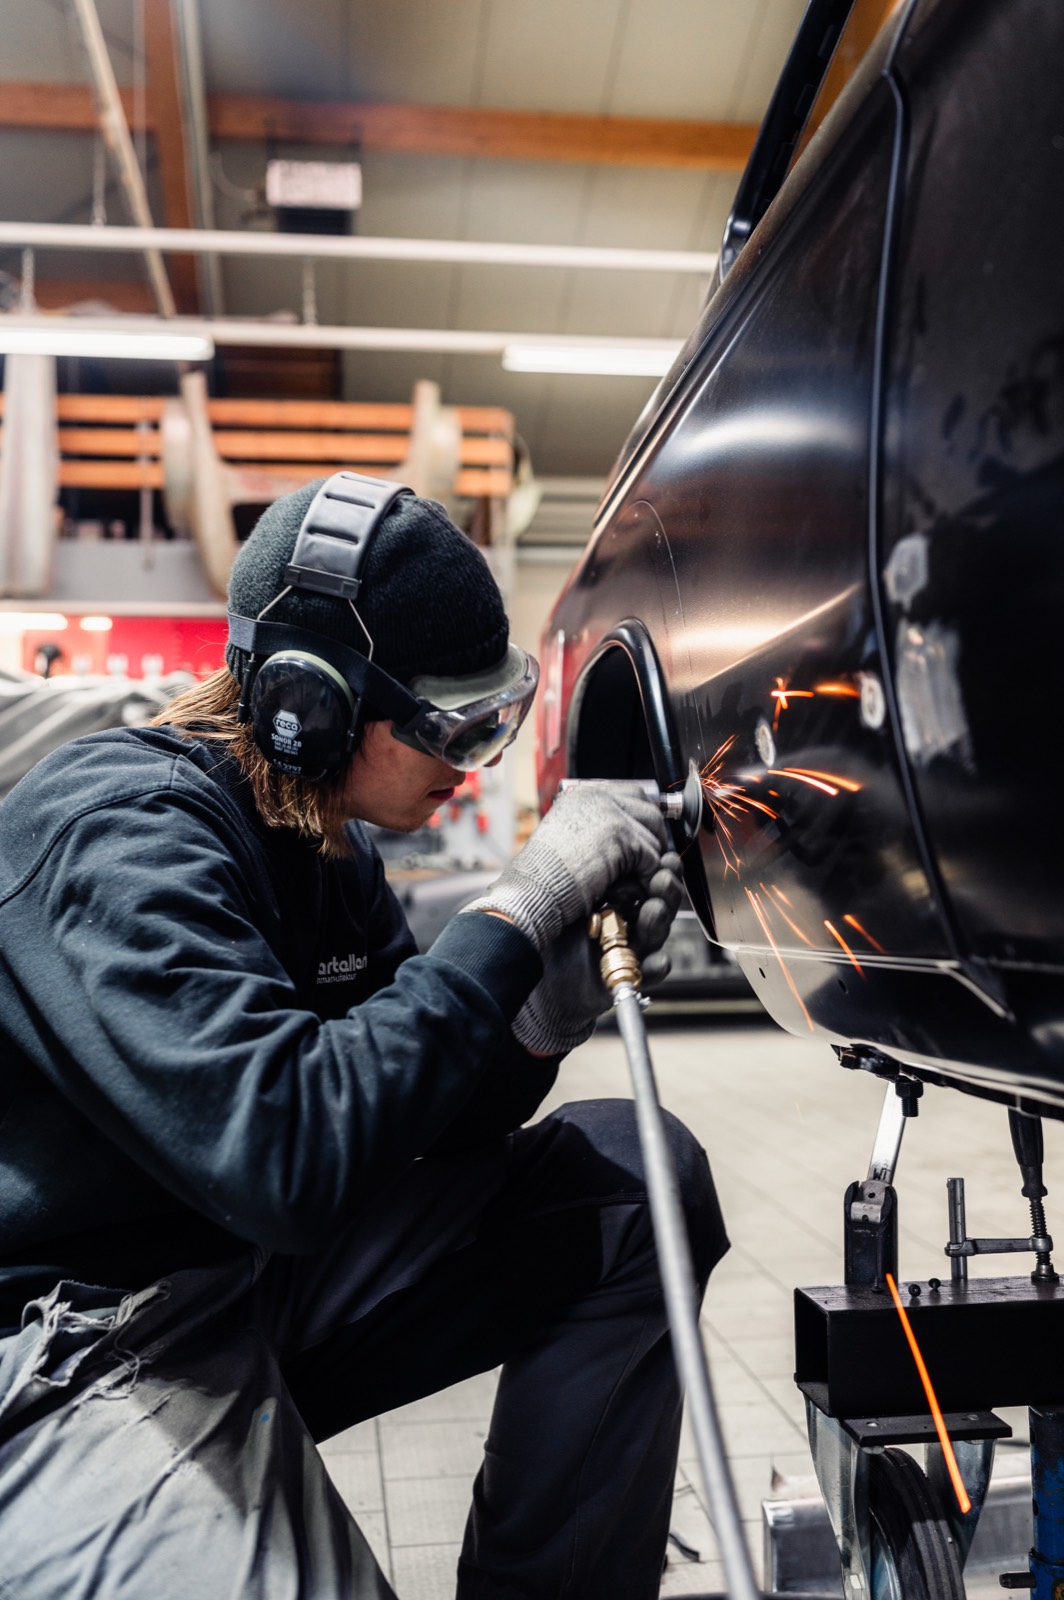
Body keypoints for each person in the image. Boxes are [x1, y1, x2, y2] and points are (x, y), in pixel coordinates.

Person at [0, 472, 728, 1599]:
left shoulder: (325, 847)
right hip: (69, 1340)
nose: (469, 761)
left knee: (639, 1183)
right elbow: (284, 1155)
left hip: (242, 1269)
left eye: (496, 718)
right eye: (451, 725)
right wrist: (513, 912)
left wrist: (536, 1014)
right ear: (310, 703)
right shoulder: (118, 835)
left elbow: (408, 1111)